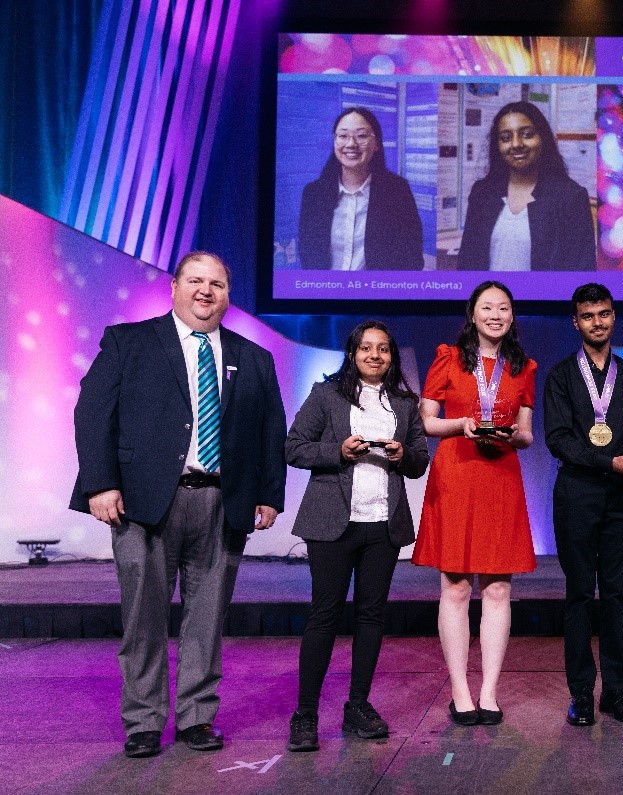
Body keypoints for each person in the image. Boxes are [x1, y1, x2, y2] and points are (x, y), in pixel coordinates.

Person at [70, 251, 286, 758]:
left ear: (229, 295)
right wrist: (100, 485)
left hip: (220, 501)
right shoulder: (129, 342)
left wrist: (268, 494)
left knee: (207, 618)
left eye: (217, 283)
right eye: (196, 280)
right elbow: (93, 413)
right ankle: (144, 721)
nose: (206, 291)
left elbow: (269, 430)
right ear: (174, 287)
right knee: (143, 618)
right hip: (143, 505)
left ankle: (196, 717)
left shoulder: (254, 358)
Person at [284, 321, 430, 752]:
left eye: (383, 349)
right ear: (352, 354)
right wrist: (338, 451)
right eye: (366, 348)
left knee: (371, 617)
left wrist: (405, 456)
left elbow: (421, 460)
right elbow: (293, 447)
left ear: (392, 357)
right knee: (324, 615)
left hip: (382, 526)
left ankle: (358, 706)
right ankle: (306, 713)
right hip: (332, 523)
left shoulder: (405, 402)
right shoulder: (326, 395)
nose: (374, 355)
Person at [412, 281, 537, 726]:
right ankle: (460, 691)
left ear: (512, 316)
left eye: (504, 307)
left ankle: (489, 692)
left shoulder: (522, 367)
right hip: (458, 473)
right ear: (473, 313)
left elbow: (526, 433)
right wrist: (461, 423)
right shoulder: (449, 358)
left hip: (500, 475)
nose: (496, 315)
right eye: (487, 307)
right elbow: (426, 422)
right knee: (457, 587)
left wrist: (510, 435)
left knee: (499, 588)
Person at [544, 284, 623, 727]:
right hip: (577, 497)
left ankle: (617, 693)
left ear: (614, 316)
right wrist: (612, 461)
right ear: (576, 322)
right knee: (579, 596)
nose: (598, 322)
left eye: (604, 314)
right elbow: (559, 440)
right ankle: (582, 694)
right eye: (588, 316)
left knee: (618, 597)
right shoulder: (561, 376)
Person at [456, 101, 595, 271]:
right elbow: (466, 262)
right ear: (497, 145)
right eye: (506, 137)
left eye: (527, 134)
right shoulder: (482, 192)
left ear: (542, 138)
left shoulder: (571, 197)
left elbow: (581, 271)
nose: (516, 144)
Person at [298, 106, 423, 270]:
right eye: (343, 136)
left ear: (377, 143)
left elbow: (412, 258)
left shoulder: (397, 192)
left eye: (361, 136)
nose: (351, 144)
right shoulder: (314, 194)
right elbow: (308, 254)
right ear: (335, 141)